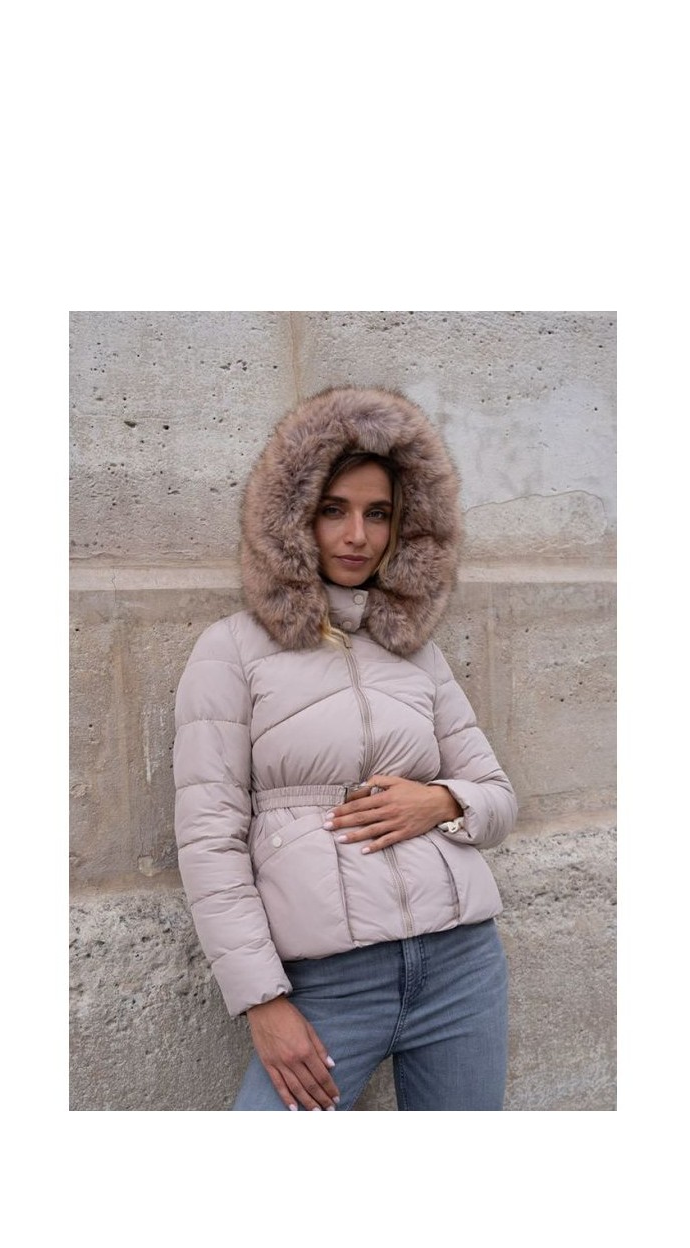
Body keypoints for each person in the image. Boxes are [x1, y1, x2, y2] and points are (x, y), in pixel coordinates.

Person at [173, 386, 517, 1110]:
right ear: (293, 517)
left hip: (461, 965)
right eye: (334, 509)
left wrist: (440, 800)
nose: (357, 535)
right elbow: (210, 841)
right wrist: (262, 1000)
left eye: (378, 513)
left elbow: (497, 798)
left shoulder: (417, 653)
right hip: (329, 985)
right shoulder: (231, 650)